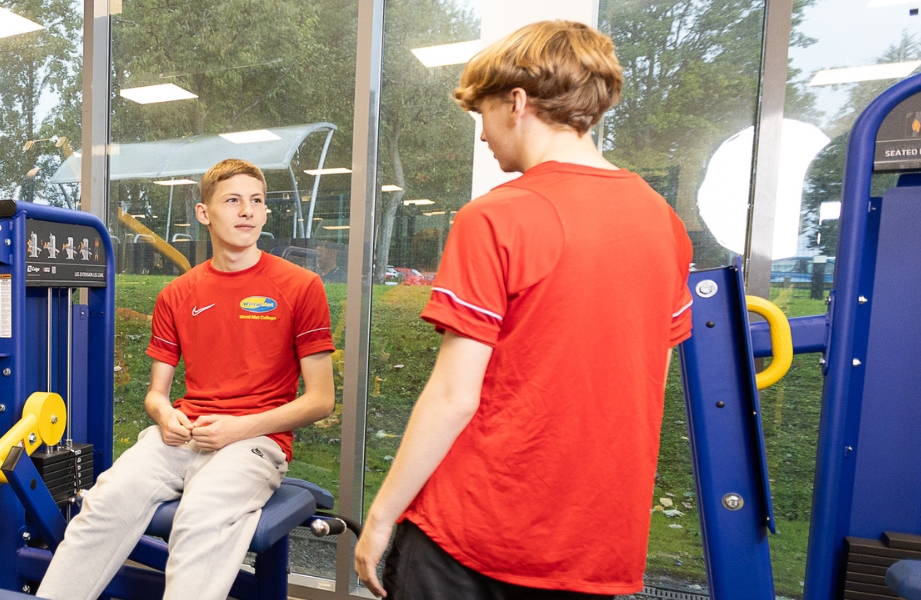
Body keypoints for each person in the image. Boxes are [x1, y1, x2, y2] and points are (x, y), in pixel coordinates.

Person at [351, 21, 695, 600]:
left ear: (516, 102)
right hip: (595, 545)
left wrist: (381, 516)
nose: (483, 136)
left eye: (481, 115)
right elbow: (647, 386)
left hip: (476, 531)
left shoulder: (498, 215)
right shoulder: (664, 222)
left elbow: (454, 395)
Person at [36, 158, 338, 600]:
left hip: (257, 440)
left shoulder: (301, 285)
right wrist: (165, 415)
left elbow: (321, 401)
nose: (247, 211)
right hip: (185, 435)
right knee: (103, 501)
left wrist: (239, 427)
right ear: (204, 213)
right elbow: (156, 396)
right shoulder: (177, 294)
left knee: (200, 517)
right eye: (232, 200)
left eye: (256, 202)